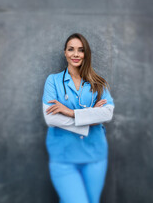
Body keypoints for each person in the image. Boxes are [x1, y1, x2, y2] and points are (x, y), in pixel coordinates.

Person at [42, 33, 115, 203]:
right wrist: (90, 119)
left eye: (81, 50)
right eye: (71, 49)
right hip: (64, 157)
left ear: (86, 54)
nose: (76, 54)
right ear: (65, 53)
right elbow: (51, 118)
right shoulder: (53, 81)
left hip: (95, 156)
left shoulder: (98, 82)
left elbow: (107, 113)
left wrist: (70, 112)